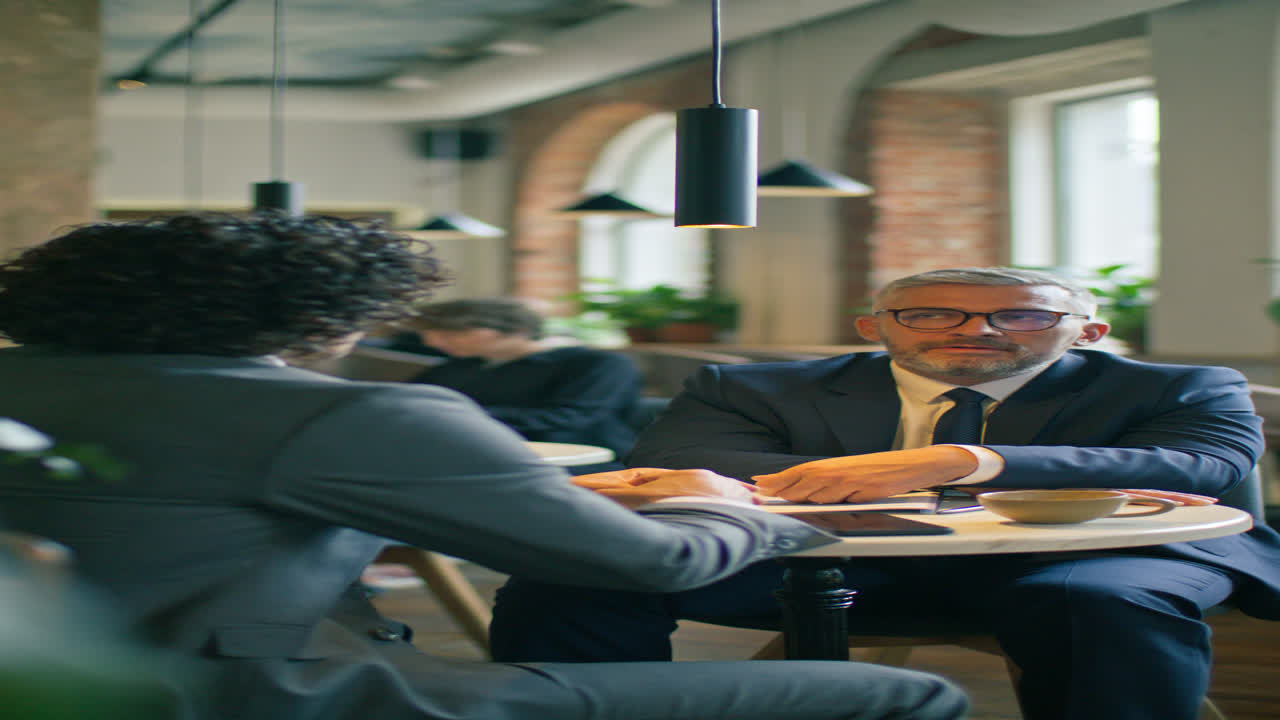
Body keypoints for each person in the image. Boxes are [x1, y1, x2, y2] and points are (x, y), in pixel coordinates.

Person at [0, 213, 968, 720]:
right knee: (904, 693)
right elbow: (654, 564)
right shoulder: (349, 410)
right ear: (325, 317)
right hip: (252, 699)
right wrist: (741, 507)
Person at [489, 266, 1280, 720]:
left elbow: (1200, 466)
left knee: (1098, 601)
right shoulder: (752, 383)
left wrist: (960, 461)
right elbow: (680, 456)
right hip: (837, 560)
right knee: (578, 572)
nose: (976, 329)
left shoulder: (1185, 383)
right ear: (875, 328)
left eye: (1022, 314)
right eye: (930, 311)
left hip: (1100, 556)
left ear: (1088, 332)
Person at [404, 298, 644, 471]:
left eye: (452, 332)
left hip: (580, 460)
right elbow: (410, 405)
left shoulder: (598, 364)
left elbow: (569, 419)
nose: (432, 341)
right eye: (430, 333)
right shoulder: (454, 368)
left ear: (518, 330)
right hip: (477, 456)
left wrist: (457, 418)